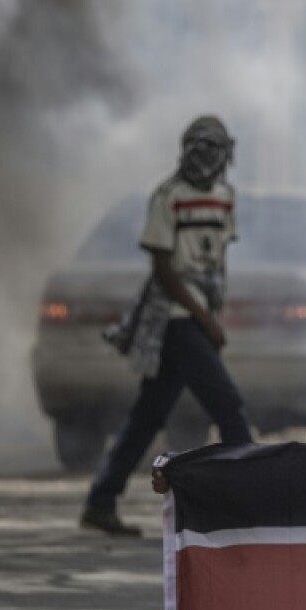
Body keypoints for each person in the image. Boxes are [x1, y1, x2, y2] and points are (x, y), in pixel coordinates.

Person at [81, 116, 252, 537]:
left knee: (148, 415)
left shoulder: (224, 196)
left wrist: (214, 309)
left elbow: (218, 261)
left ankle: (101, 500)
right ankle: (253, 496)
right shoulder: (168, 196)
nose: (205, 159)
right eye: (198, 148)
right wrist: (204, 317)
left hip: (196, 314)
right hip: (174, 317)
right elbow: (163, 270)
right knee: (227, 405)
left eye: (213, 150)